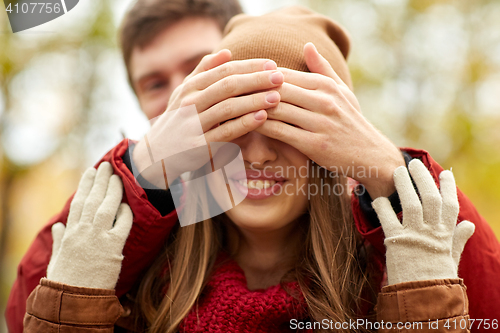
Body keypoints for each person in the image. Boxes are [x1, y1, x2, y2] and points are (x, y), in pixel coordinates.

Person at [6, 2, 500, 333]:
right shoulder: (148, 240)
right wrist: (143, 170)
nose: (190, 102)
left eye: (282, 121)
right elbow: (31, 304)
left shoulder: (378, 247)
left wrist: (388, 173)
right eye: (158, 86)